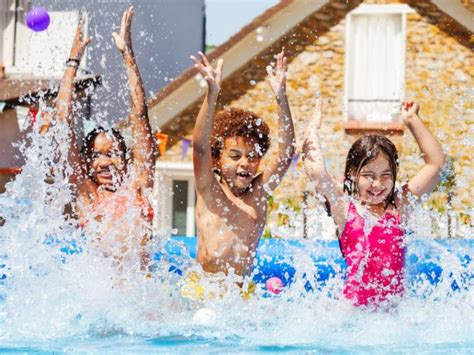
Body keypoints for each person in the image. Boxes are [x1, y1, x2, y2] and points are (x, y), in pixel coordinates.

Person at [303, 98, 445, 307]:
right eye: (368, 175)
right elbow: (315, 170)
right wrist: (312, 129)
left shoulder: (400, 207)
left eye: (386, 175)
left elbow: (437, 164)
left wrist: (412, 120)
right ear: (353, 175)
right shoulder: (345, 209)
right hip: (355, 317)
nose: (377, 184)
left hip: (393, 317)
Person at [44, 7, 155, 272]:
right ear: (87, 163)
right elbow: (63, 123)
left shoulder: (138, 185)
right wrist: (73, 61)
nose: (105, 162)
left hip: (140, 299)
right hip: (103, 301)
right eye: (96, 155)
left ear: (127, 158)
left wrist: (127, 55)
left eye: (113, 153)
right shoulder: (88, 195)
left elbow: (140, 115)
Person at [182, 50, 295, 299]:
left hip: (241, 295)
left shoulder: (258, 192)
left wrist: (281, 97)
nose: (245, 163)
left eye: (252, 157)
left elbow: (286, 154)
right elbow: (199, 146)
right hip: (202, 291)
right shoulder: (208, 188)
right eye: (235, 156)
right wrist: (211, 95)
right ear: (216, 160)